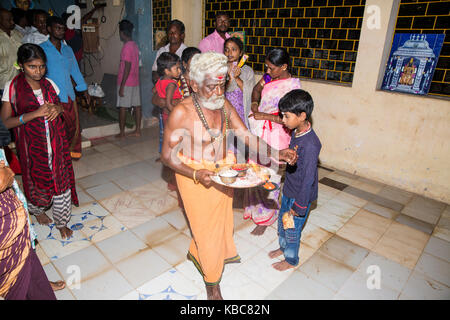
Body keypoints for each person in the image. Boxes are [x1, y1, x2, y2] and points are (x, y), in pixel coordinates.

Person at [160, 51, 298, 300]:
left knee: (220, 225)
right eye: (211, 87)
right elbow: (167, 157)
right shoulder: (181, 112)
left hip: (225, 172)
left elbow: (246, 136)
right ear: (193, 84)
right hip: (194, 176)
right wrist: (194, 173)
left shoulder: (223, 104)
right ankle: (212, 285)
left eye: (222, 85)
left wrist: (277, 153)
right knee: (205, 229)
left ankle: (197, 252)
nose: (217, 93)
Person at [1, 43, 79, 239]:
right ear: (21, 65)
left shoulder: (50, 84)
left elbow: (60, 107)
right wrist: (33, 114)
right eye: (32, 67)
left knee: (61, 182)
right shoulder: (12, 88)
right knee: (37, 182)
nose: (38, 71)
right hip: (32, 148)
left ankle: (62, 222)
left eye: (42, 66)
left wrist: (58, 109)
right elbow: (5, 123)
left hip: (56, 144)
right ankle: (38, 210)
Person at [0, 118, 64, 299]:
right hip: (5, 226)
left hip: (11, 210)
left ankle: (38, 284)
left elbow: (3, 135)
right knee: (14, 276)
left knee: (27, 251)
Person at [245, 48, 302, 236]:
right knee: (255, 172)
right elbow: (257, 89)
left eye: (271, 68)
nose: (267, 72)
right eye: (266, 67)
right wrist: (255, 105)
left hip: (278, 136)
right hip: (260, 133)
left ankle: (266, 217)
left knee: (271, 176)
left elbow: (290, 119)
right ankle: (255, 210)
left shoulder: (293, 88)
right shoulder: (270, 78)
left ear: (284, 66)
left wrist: (264, 115)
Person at [269, 89, 321, 271]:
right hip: (290, 190)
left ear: (302, 116)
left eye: (286, 116)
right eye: (282, 115)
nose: (283, 120)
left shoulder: (312, 144)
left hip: (301, 197)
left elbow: (308, 178)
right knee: (282, 224)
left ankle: (291, 259)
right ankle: (283, 248)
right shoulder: (296, 132)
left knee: (292, 231)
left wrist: (299, 205)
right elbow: (295, 163)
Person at [40, 16, 90, 160]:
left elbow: (75, 70)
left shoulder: (68, 50)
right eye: (58, 28)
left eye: (63, 29)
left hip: (69, 95)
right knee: (56, 128)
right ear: (49, 29)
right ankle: (58, 155)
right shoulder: (43, 49)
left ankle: (72, 153)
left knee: (73, 126)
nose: (61, 31)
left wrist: (84, 90)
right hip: (52, 96)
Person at [116, 19, 141, 138]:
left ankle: (122, 132)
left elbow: (127, 67)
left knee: (123, 107)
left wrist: (122, 86)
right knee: (137, 106)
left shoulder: (126, 47)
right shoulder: (134, 45)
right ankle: (138, 130)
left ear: (121, 33)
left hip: (126, 82)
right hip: (135, 81)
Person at [224, 37, 254, 127]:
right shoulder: (220, 69)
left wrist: (237, 78)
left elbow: (249, 91)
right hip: (224, 112)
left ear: (240, 52)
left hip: (241, 112)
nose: (229, 53)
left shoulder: (247, 71)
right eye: (226, 50)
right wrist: (230, 79)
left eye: (233, 49)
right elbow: (219, 92)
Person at [152, 19, 187, 84]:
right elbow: (155, 70)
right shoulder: (162, 51)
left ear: (182, 35)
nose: (172, 35)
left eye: (175, 32)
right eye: (170, 32)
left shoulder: (186, 52)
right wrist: (159, 83)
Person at [0, 8, 22, 96]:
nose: (12, 22)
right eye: (8, 20)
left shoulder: (17, 34)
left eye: (12, 19)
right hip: (5, 84)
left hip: (22, 81)